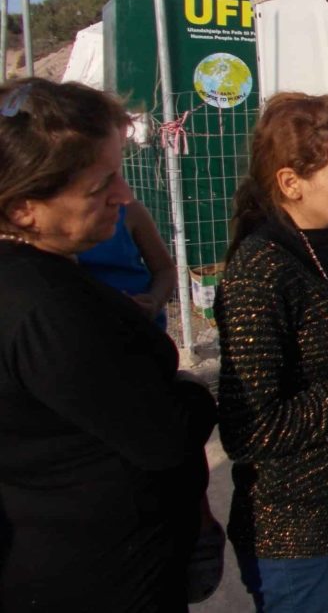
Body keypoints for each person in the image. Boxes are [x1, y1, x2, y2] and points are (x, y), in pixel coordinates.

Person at [0, 78, 217, 612]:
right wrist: (193, 393)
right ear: (25, 207)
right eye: (101, 186)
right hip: (101, 579)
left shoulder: (37, 283)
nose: (123, 196)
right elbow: (162, 436)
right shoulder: (48, 308)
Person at [215, 92, 328, 613]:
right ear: (291, 182)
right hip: (301, 534)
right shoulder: (260, 271)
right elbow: (249, 428)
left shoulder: (325, 241)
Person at [77, 197, 175, 329]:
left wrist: (155, 300)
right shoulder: (46, 226)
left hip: (138, 328)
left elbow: (165, 270)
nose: (123, 191)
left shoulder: (130, 211)